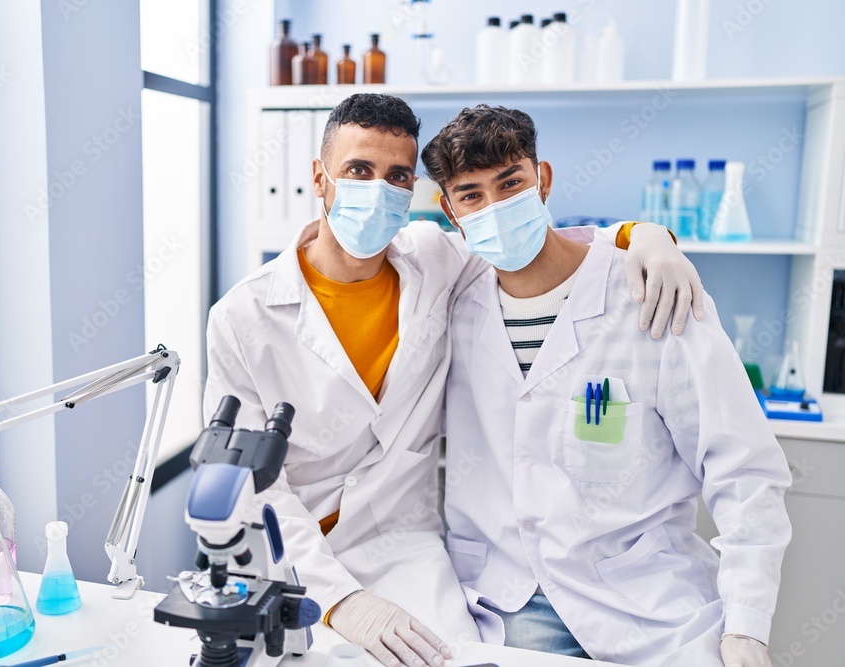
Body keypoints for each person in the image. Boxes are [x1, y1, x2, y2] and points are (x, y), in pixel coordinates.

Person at [204, 93, 705, 667]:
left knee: (455, 661)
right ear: (320, 178)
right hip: (285, 558)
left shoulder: (436, 260)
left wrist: (641, 234)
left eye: (397, 176)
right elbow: (248, 482)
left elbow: (540, 241)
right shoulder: (243, 317)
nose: (378, 190)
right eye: (358, 171)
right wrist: (340, 600)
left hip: (402, 550)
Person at [423, 104, 792, 667]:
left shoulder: (649, 288)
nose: (494, 208)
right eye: (471, 195)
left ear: (542, 180)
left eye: (511, 183)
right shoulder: (452, 295)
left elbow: (742, 468)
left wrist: (746, 624)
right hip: (506, 599)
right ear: (450, 210)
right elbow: (367, 256)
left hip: (646, 600)